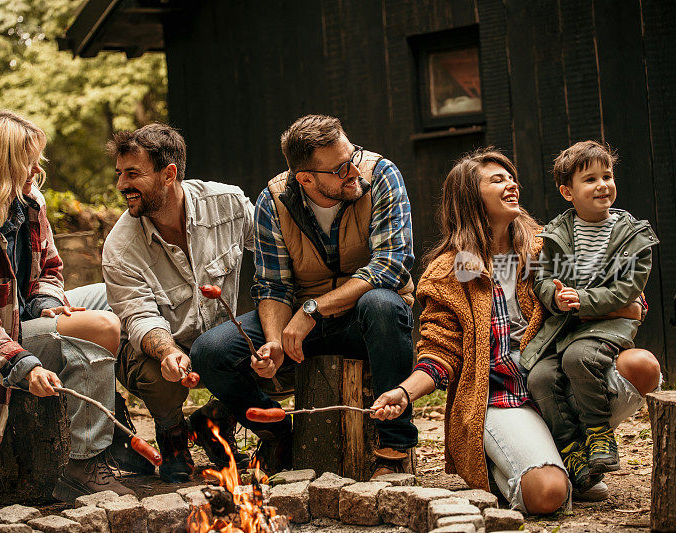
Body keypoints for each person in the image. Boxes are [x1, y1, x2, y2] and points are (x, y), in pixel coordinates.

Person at [369, 148, 661, 514]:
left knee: (642, 367)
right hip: (501, 399)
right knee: (547, 494)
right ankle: (521, 464)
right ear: (471, 197)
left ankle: (570, 453)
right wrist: (403, 393)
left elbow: (628, 297)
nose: (512, 184)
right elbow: (439, 353)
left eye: (510, 177)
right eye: (497, 180)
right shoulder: (450, 271)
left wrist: (621, 305)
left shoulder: (545, 246)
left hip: (556, 385)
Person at [191, 114, 417, 477]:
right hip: (302, 323)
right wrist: (273, 342)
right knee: (210, 351)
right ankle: (278, 432)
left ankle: (394, 448)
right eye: (341, 168)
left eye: (353, 156)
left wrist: (313, 309)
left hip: (366, 319)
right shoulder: (273, 201)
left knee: (382, 304)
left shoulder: (382, 176)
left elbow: (390, 266)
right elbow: (273, 286)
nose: (354, 171)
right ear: (306, 178)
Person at [0, 110, 135, 504]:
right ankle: (84, 462)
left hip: (24, 319)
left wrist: (46, 302)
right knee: (104, 328)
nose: (37, 168)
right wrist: (25, 365)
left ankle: (104, 411)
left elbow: (51, 268)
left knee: (115, 298)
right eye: (28, 160)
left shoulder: (30, 203)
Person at [102, 123, 255, 483]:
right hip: (153, 350)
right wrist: (168, 351)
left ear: (169, 174)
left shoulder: (228, 204)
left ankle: (212, 422)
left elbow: (273, 248)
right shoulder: (119, 247)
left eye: (133, 174)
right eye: (119, 174)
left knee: (272, 342)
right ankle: (172, 438)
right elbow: (139, 317)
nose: (122, 185)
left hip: (218, 343)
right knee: (158, 371)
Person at [523, 141, 661, 490]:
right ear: (567, 192)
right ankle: (571, 448)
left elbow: (628, 289)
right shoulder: (557, 233)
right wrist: (554, 295)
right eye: (591, 179)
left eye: (607, 176)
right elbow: (541, 277)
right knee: (539, 376)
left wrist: (582, 300)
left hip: (610, 324)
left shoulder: (632, 234)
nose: (603, 185)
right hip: (565, 325)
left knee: (580, 357)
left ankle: (599, 432)